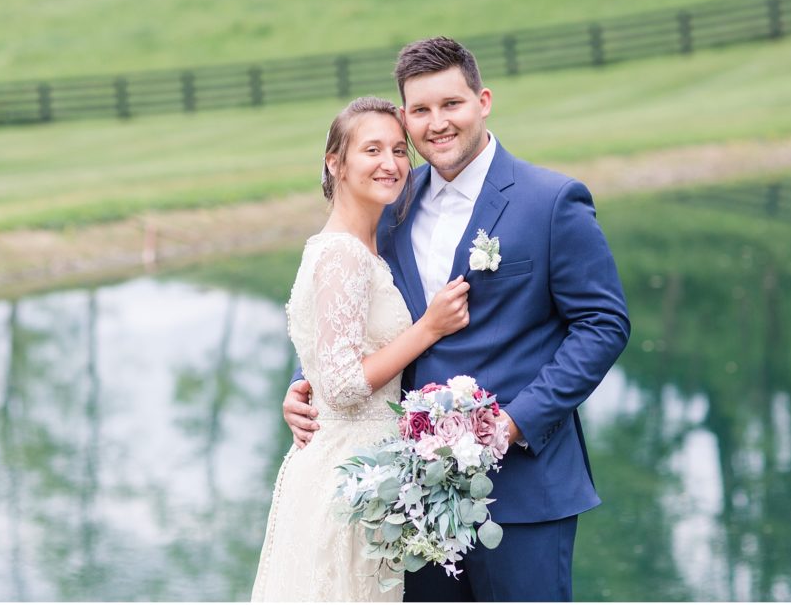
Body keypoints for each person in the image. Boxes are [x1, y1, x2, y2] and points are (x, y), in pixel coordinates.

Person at [283, 37, 631, 601]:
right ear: (405, 118)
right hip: (406, 498)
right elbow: (345, 306)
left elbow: (603, 324)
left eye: (451, 104)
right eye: (420, 110)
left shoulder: (550, 200)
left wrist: (514, 423)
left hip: (523, 492)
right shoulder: (390, 202)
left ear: (483, 101)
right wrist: (304, 383)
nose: (437, 123)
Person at [251, 96, 473, 601]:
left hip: (363, 470)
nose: (390, 163)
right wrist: (429, 328)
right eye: (372, 150)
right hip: (347, 474)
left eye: (398, 150)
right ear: (335, 163)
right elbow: (342, 385)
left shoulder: (363, 246)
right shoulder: (343, 255)